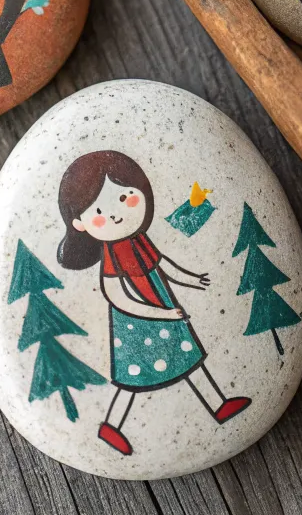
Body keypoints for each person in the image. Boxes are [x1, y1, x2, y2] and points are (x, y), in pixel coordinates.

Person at [57, 149, 250, 456]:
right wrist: (158, 314)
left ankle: (219, 405)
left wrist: (192, 279)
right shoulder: (112, 254)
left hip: (163, 307)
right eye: (100, 211)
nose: (116, 214)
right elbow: (116, 296)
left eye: (124, 198)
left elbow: (163, 265)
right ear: (80, 223)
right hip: (136, 325)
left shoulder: (139, 240)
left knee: (190, 360)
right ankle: (112, 427)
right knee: (133, 380)